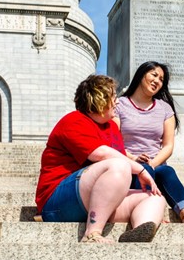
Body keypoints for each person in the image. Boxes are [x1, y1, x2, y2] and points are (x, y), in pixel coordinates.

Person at [35, 74, 166, 243]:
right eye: (114, 97)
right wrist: (140, 169)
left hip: (94, 200)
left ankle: (138, 232)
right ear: (99, 99)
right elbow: (102, 155)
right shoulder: (73, 120)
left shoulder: (111, 127)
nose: (117, 102)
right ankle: (92, 233)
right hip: (57, 202)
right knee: (119, 166)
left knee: (155, 197)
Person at [113, 61, 184, 224]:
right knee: (143, 169)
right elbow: (114, 141)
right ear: (141, 74)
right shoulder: (120, 104)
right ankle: (147, 212)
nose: (157, 81)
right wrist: (133, 159)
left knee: (167, 171)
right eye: (154, 75)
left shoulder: (165, 109)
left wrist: (153, 162)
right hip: (128, 165)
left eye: (161, 79)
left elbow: (168, 146)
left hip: (156, 165)